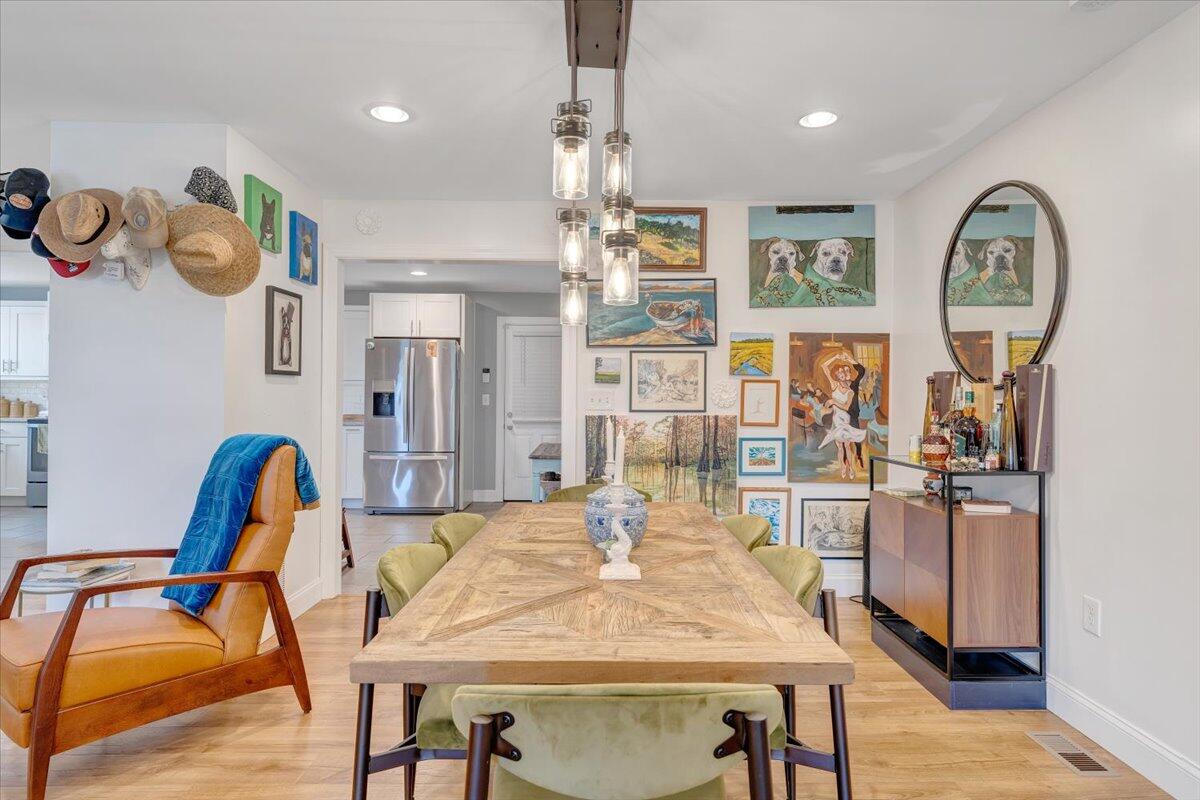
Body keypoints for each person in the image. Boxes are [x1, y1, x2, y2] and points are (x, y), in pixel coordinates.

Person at [818, 351, 867, 480]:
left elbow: (846, 407)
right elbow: (824, 366)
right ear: (836, 375)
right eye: (839, 372)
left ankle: (851, 468)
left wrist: (834, 401)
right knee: (839, 446)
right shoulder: (834, 385)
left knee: (847, 445)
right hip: (836, 418)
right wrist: (834, 357)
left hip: (845, 419)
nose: (841, 373)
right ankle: (843, 467)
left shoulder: (850, 391)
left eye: (843, 371)